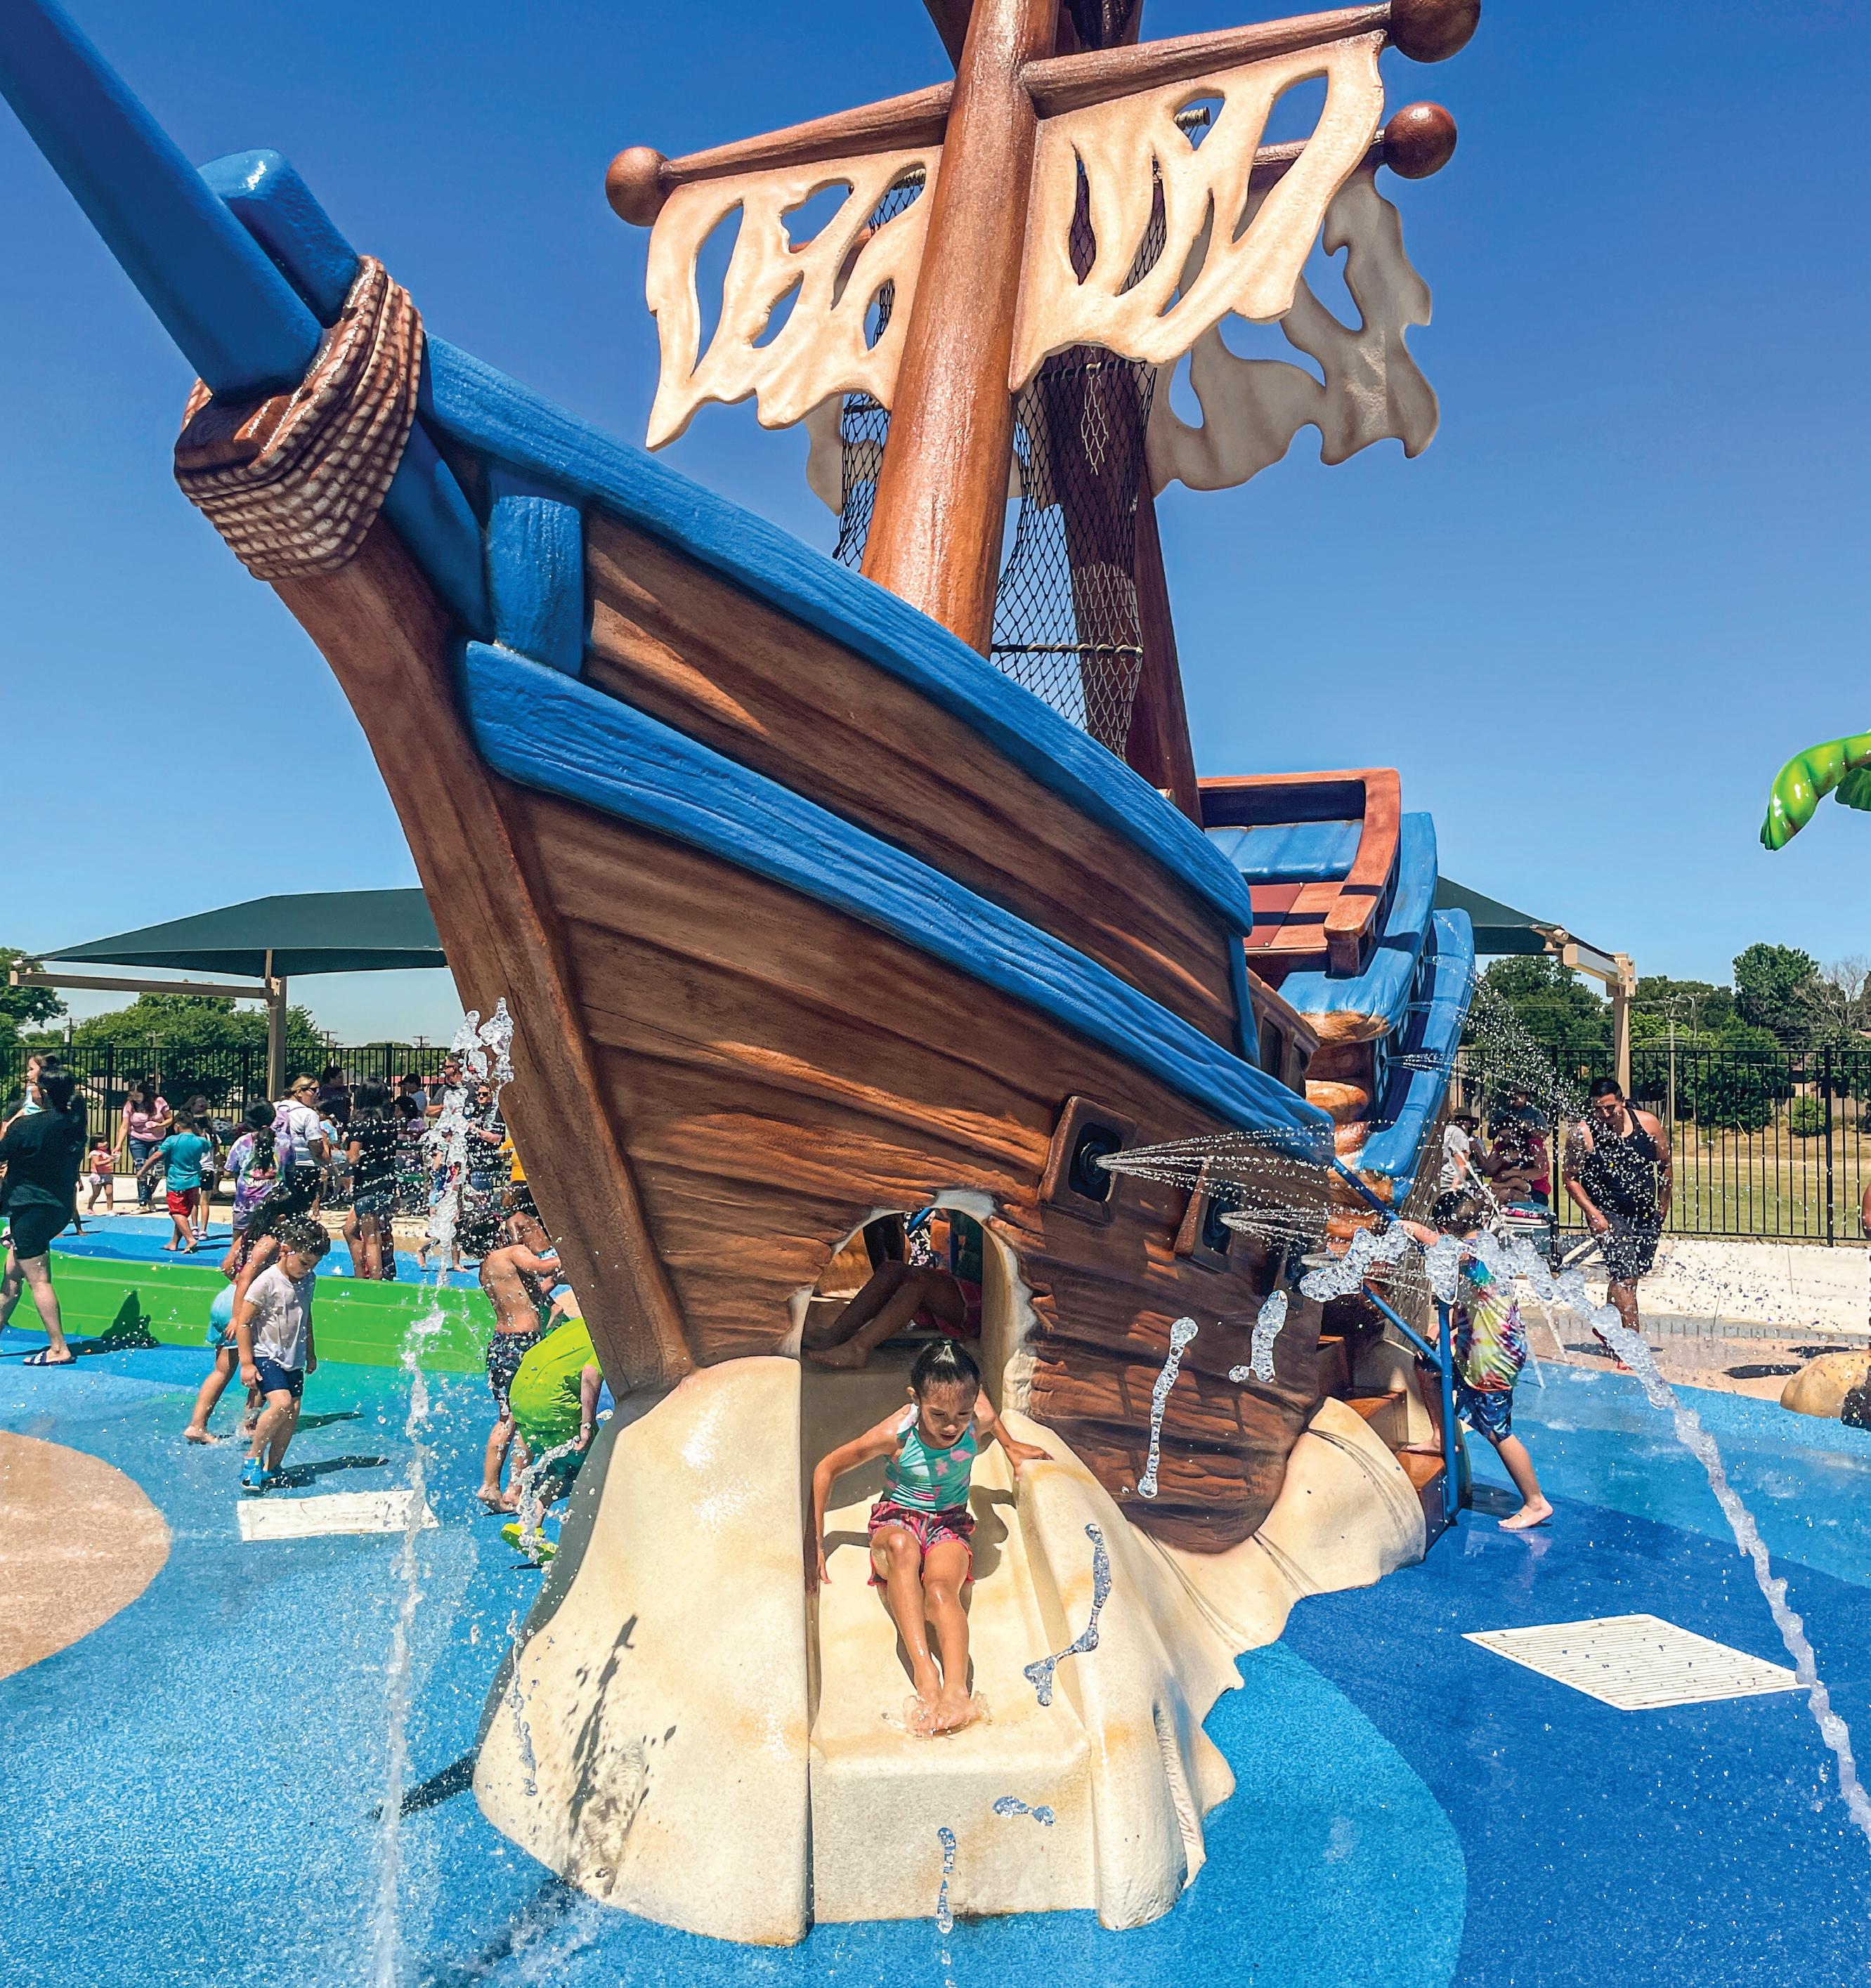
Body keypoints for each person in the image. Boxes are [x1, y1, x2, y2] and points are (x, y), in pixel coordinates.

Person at [807, 1339, 1048, 1735]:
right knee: (902, 1548)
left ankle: (956, 1691)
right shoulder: (898, 1434)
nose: (952, 1426)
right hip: (898, 1520)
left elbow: (988, 1416)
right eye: (938, 1415)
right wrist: (815, 1541)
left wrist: (1011, 1448)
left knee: (938, 1591)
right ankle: (926, 1677)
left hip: (948, 1523)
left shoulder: (978, 1418)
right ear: (916, 1399)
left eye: (962, 1413)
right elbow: (826, 1468)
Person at [1400, 1193, 1552, 1532]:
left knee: (1498, 1432)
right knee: (1427, 1367)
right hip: (1480, 1350)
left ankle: (1535, 1502)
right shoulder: (1484, 1245)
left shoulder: (1475, 1253)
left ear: (1444, 1229)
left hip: (1492, 1361)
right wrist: (1442, 1327)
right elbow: (1474, 1298)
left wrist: (1415, 1230)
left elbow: (1455, 1253)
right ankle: (1441, 1436)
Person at [186, 1213, 317, 1444]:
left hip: (227, 1297)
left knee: (222, 1371)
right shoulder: (272, 1243)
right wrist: (238, 1316)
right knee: (263, 1364)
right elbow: (247, 1277)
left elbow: (227, 1267)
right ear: (283, 1217)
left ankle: (197, 1425)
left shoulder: (250, 1235)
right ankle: (249, 1426)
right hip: (243, 1306)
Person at [1564, 1077, 1670, 1355]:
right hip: (1608, 1215)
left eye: (1610, 1108)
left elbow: (1665, 1165)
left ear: (1622, 1101)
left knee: (1630, 1274)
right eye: (1597, 1109)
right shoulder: (1583, 1133)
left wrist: (1663, 1204)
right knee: (1626, 1277)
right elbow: (1570, 1178)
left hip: (1645, 1213)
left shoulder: (1648, 1124)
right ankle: (1631, 1346)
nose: (1604, 1114)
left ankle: (1606, 1323)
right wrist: (1593, 1214)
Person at [804, 1213, 982, 1371]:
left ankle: (858, 1348)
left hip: (984, 1300)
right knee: (891, 1269)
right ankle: (834, 1335)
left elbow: (964, 1226)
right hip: (964, 1284)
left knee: (920, 1282)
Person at [495, 1309, 608, 1555]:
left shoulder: (577, 1327)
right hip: (553, 1404)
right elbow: (591, 1374)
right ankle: (595, 1542)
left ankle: (528, 1524)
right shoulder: (607, 1332)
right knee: (593, 1463)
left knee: (561, 1466)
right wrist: (586, 1426)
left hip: (522, 1399)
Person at [0, 1067, 88, 1364]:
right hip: (56, 1209)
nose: (30, 1089)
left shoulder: (26, 1126)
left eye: (33, 1085)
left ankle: (59, 1348)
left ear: (44, 1092)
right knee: (11, 1279)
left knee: (39, 1280)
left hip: (30, 1209)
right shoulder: (73, 1123)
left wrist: (10, 1124)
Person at [475, 1210, 563, 1508]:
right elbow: (541, 1266)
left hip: (501, 1345)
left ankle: (490, 1486)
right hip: (523, 1344)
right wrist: (574, 1254)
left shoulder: (486, 1267)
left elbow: (525, 1296)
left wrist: (551, 1284)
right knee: (527, 1416)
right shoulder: (511, 1253)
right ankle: (515, 1488)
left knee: (506, 1419)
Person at [234, 1223, 329, 1491]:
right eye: (304, 1263)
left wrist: (310, 1351)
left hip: (294, 1357)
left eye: (313, 1265)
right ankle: (252, 1459)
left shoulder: (309, 1280)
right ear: (287, 1250)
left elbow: (305, 1315)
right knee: (282, 1403)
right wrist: (247, 1363)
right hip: (267, 1354)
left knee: (292, 1413)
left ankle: (273, 1467)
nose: (307, 1269)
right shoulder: (266, 1281)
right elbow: (244, 1323)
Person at [344, 1083, 400, 1279]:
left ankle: (375, 1283)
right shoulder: (389, 1121)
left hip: (367, 1185)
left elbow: (353, 1157)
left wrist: (338, 1153)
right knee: (350, 1230)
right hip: (386, 1182)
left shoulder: (360, 1122)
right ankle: (361, 1276)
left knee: (371, 1237)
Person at [143, 1109, 211, 1253]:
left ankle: (190, 1239)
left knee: (176, 1213)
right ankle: (174, 1242)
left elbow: (157, 1156)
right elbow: (208, 1147)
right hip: (194, 1183)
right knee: (184, 1213)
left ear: (178, 1126)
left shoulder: (172, 1140)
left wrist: (143, 1170)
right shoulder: (200, 1141)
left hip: (177, 1182)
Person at [222, 1102, 280, 1257]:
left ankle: (236, 1270)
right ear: (273, 1118)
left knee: (238, 1247)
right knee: (272, 1247)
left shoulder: (243, 1142)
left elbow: (228, 1172)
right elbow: (290, 1169)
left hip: (246, 1203)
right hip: (273, 1204)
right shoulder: (284, 1142)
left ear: (249, 1121)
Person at [271, 1073, 330, 1219]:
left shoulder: (274, 1107)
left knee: (276, 1213)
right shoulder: (308, 1114)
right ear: (299, 1092)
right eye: (314, 1090)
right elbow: (316, 1147)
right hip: (303, 1168)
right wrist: (330, 1164)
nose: (318, 1094)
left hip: (275, 1166)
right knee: (297, 1215)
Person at [120, 1078, 170, 1213]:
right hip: (137, 1139)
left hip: (157, 1139)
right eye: (132, 1095)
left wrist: (160, 1126)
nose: (135, 1098)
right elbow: (124, 1126)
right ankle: (142, 1203)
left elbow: (170, 1119)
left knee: (159, 1170)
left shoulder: (159, 1102)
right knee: (141, 1169)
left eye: (138, 1094)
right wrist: (119, 1145)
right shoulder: (130, 1105)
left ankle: (148, 1196)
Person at [1440, 1112, 1480, 1192]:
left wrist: (1453, 1189)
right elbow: (1463, 1165)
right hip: (1442, 1187)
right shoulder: (1455, 1133)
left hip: (1445, 1187)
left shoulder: (1453, 1132)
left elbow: (1462, 1166)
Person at [84, 1132, 115, 1215]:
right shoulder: (95, 1153)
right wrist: (109, 1160)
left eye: (106, 1141)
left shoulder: (106, 1152)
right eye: (102, 1142)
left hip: (107, 1175)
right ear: (95, 1143)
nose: (106, 1143)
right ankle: (90, 1208)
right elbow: (97, 1163)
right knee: (96, 1193)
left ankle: (110, 1210)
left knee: (109, 1193)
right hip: (97, 1176)